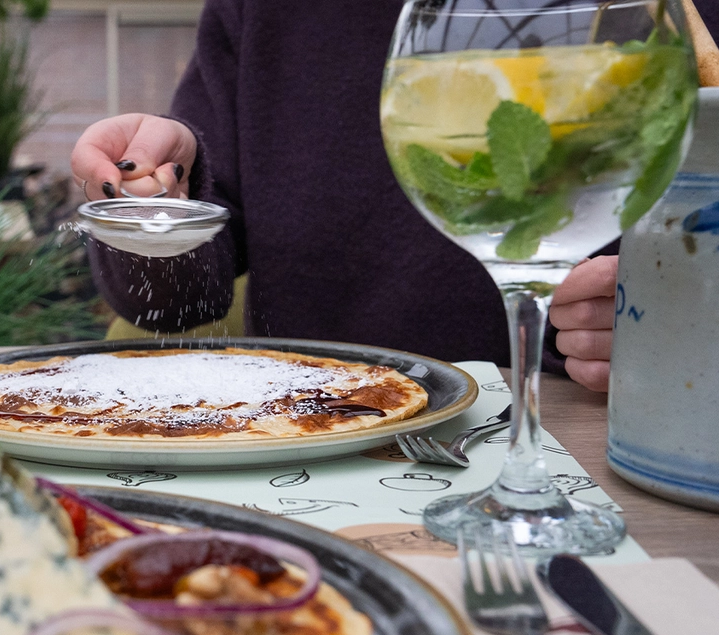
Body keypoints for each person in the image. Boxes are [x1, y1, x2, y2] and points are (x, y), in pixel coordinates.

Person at [71, 0, 719, 393]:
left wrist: (687, 312)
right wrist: (153, 206)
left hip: (603, 444)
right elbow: (176, 300)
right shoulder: (268, 16)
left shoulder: (683, 18)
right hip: (317, 435)